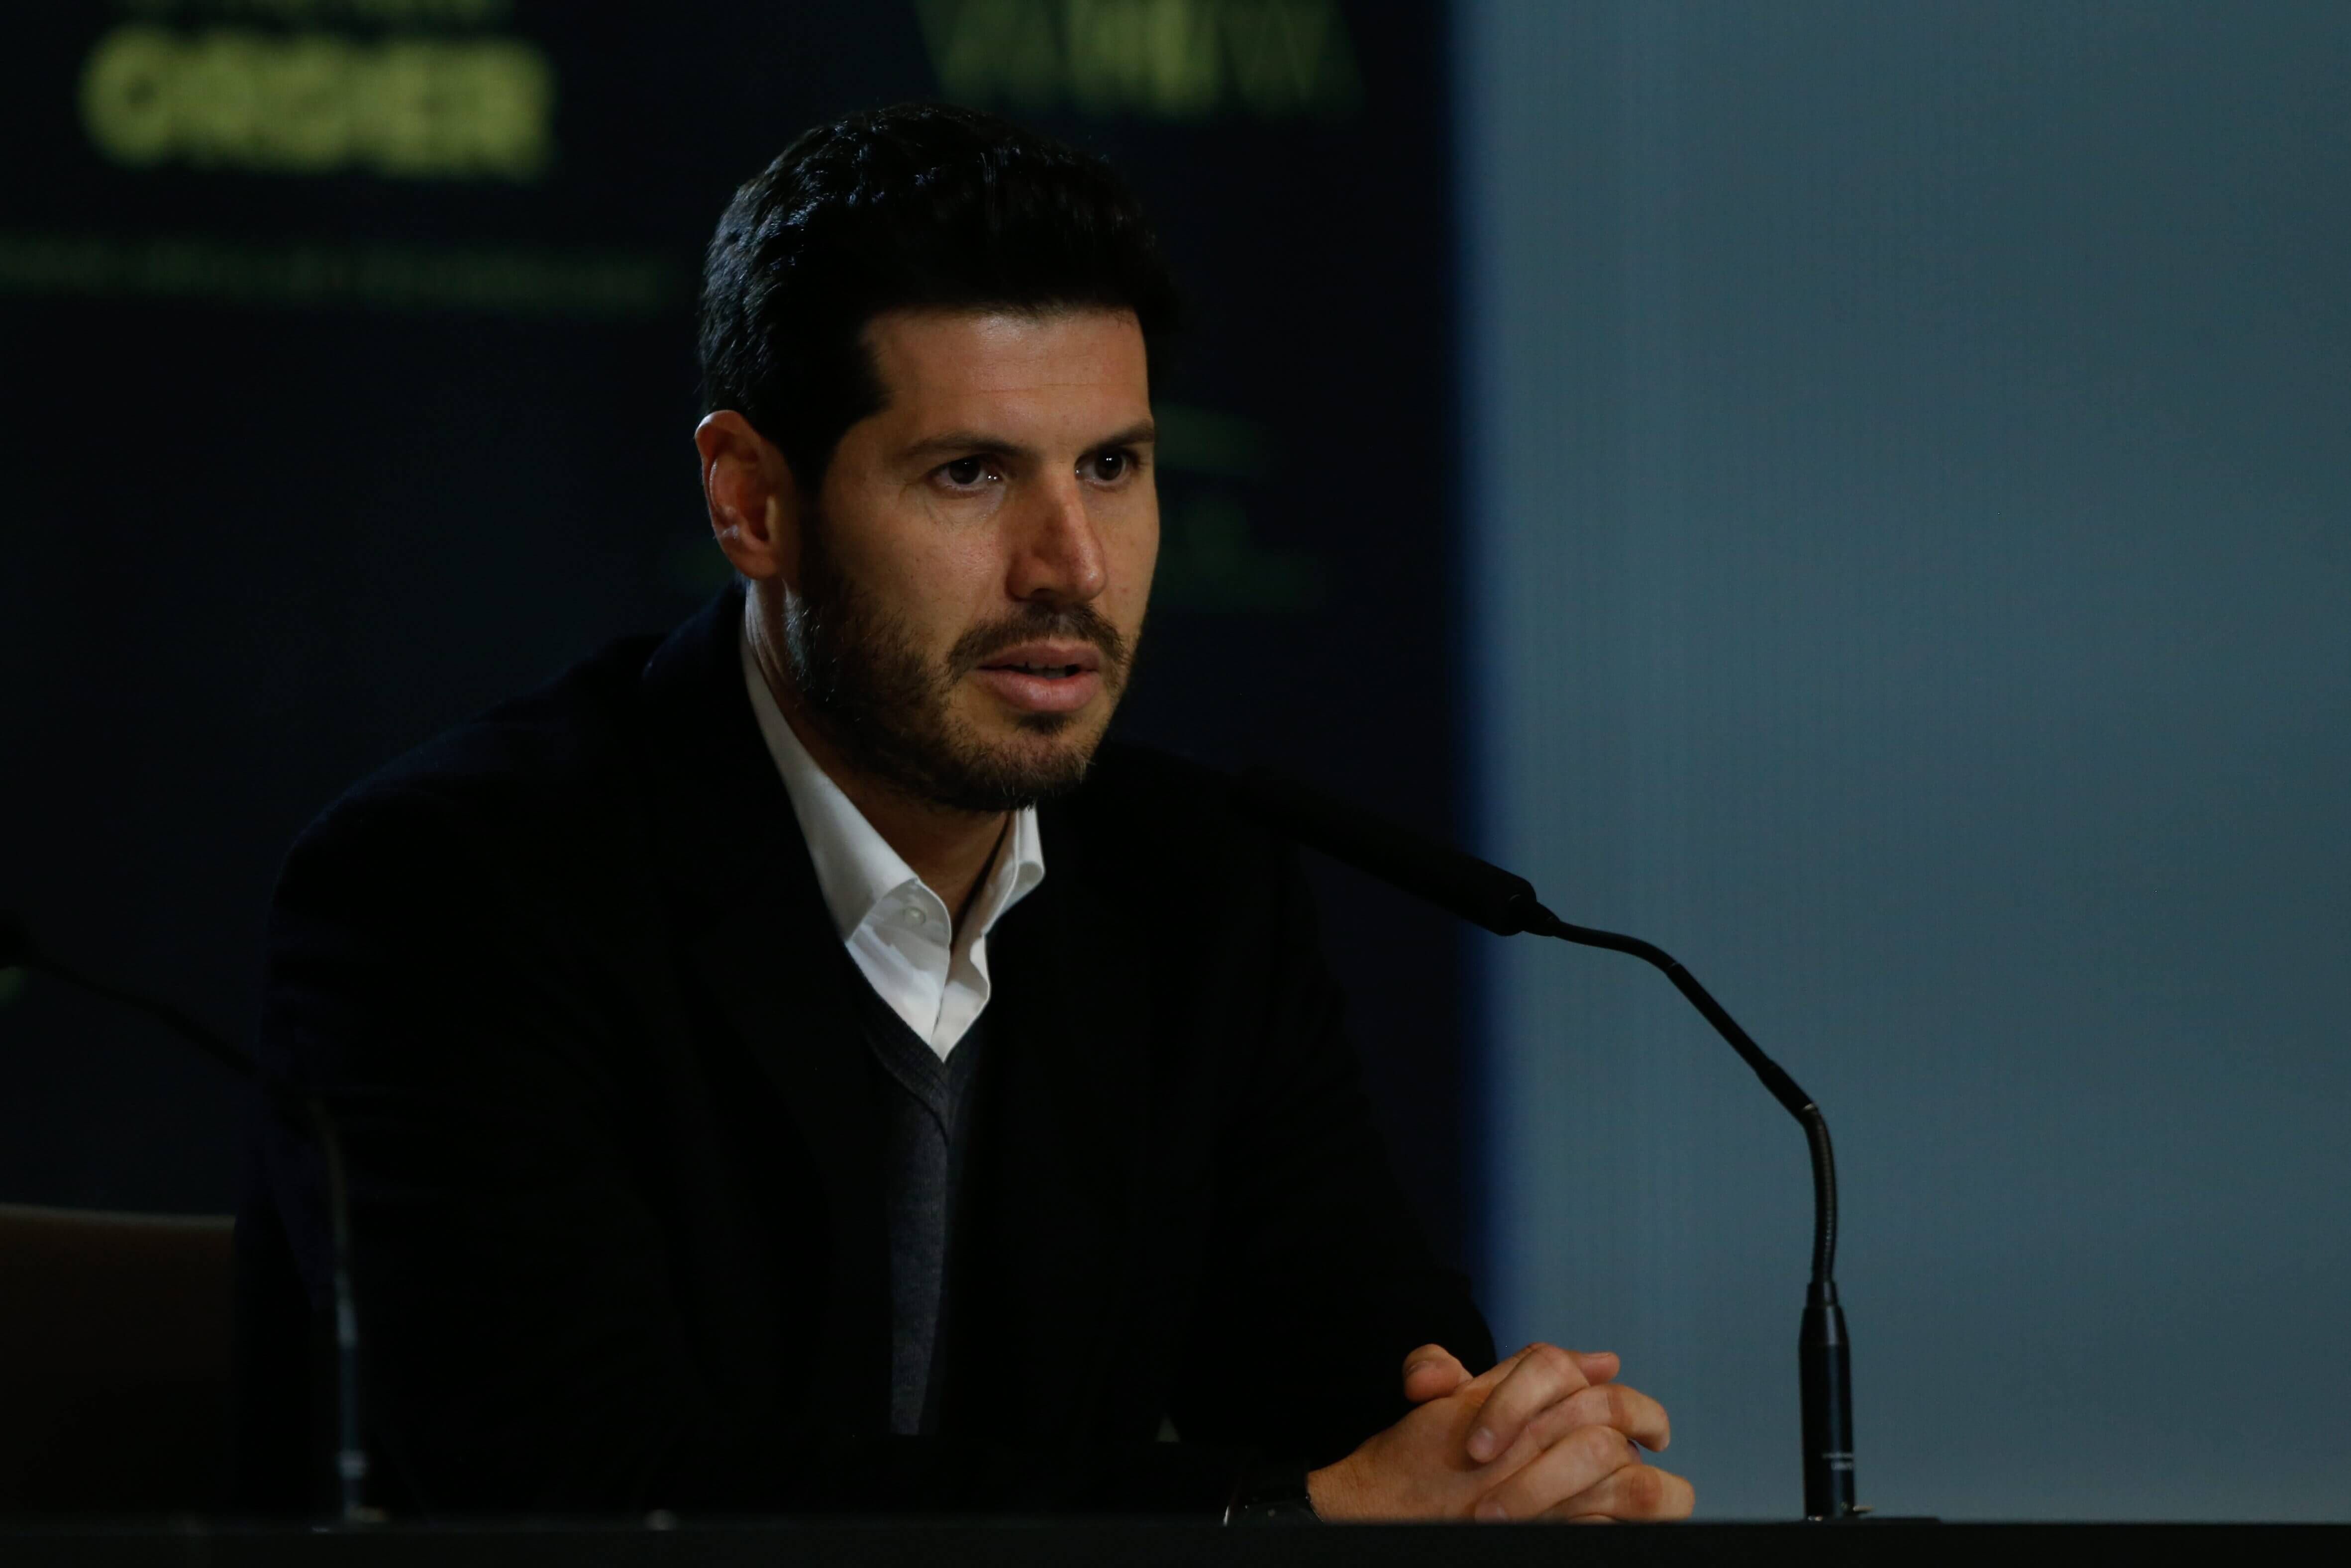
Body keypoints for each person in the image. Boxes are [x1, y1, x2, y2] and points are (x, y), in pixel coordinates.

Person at [235, 101, 1695, 1525]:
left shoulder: (1196, 884)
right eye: (970, 474)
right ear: (752, 502)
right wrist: (1283, 1517)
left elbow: (1364, 1384)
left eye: (1112, 467)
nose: (1071, 565)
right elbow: (590, 1494)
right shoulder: (454, 886)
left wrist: (1502, 1464)